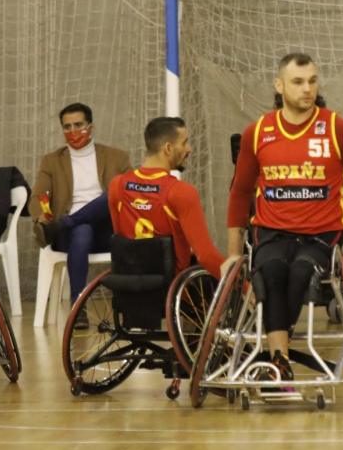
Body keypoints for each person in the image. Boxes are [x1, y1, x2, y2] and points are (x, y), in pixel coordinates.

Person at [228, 53, 343, 378]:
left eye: (312, 81)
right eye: (298, 82)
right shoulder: (258, 132)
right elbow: (239, 192)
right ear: (279, 86)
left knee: (300, 273)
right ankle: (280, 363)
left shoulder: (338, 129)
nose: (308, 89)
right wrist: (234, 254)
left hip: (321, 235)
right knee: (274, 272)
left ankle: (277, 355)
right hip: (271, 231)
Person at [30, 103, 131, 305]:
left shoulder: (116, 157)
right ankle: (78, 304)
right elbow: (37, 196)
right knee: (82, 229)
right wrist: (41, 215)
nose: (73, 131)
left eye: (79, 125)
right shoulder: (52, 161)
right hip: (71, 237)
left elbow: (131, 192)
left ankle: (66, 222)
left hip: (108, 232)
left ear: (91, 127)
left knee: (112, 193)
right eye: (67, 127)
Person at [108, 117, 232, 280]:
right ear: (168, 148)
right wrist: (243, 286)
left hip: (129, 283)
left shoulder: (117, 185)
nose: (189, 149)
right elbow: (206, 256)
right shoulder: (181, 191)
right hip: (172, 287)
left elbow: (121, 238)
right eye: (185, 142)